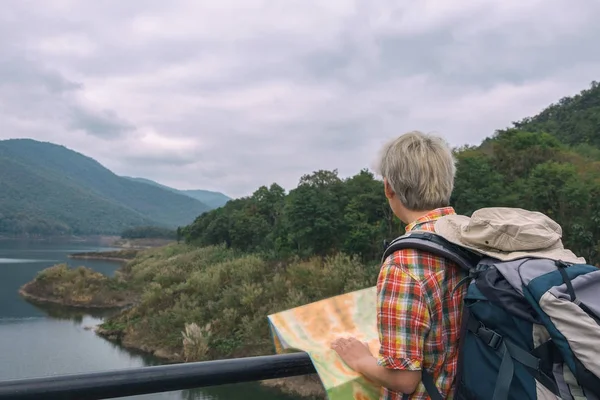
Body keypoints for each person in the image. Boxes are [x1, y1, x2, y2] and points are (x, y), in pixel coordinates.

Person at [331, 131, 464, 399]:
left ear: (388, 187)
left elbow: (404, 380)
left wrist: (360, 360)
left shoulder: (404, 265)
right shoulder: (471, 235)